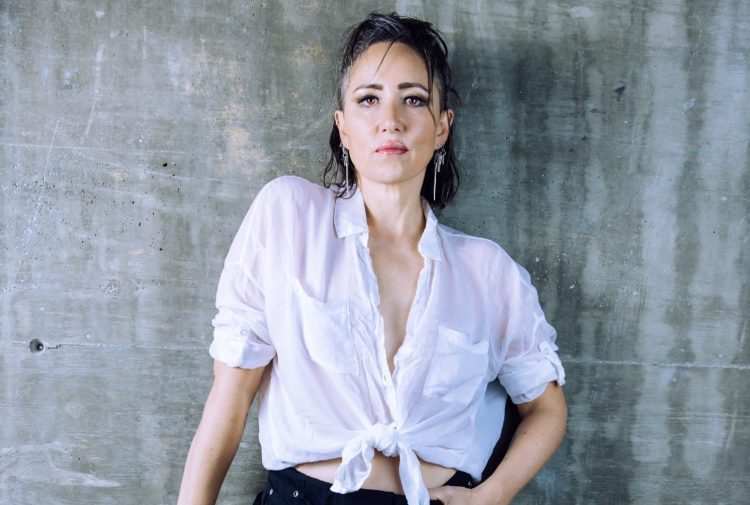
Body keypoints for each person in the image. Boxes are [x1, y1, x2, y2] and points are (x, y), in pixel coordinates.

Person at [177, 12, 567, 505]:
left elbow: (547, 407)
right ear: (342, 126)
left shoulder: (489, 272)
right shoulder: (289, 216)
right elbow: (229, 398)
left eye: (414, 99)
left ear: (442, 126)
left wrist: (491, 496)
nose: (391, 119)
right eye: (368, 99)